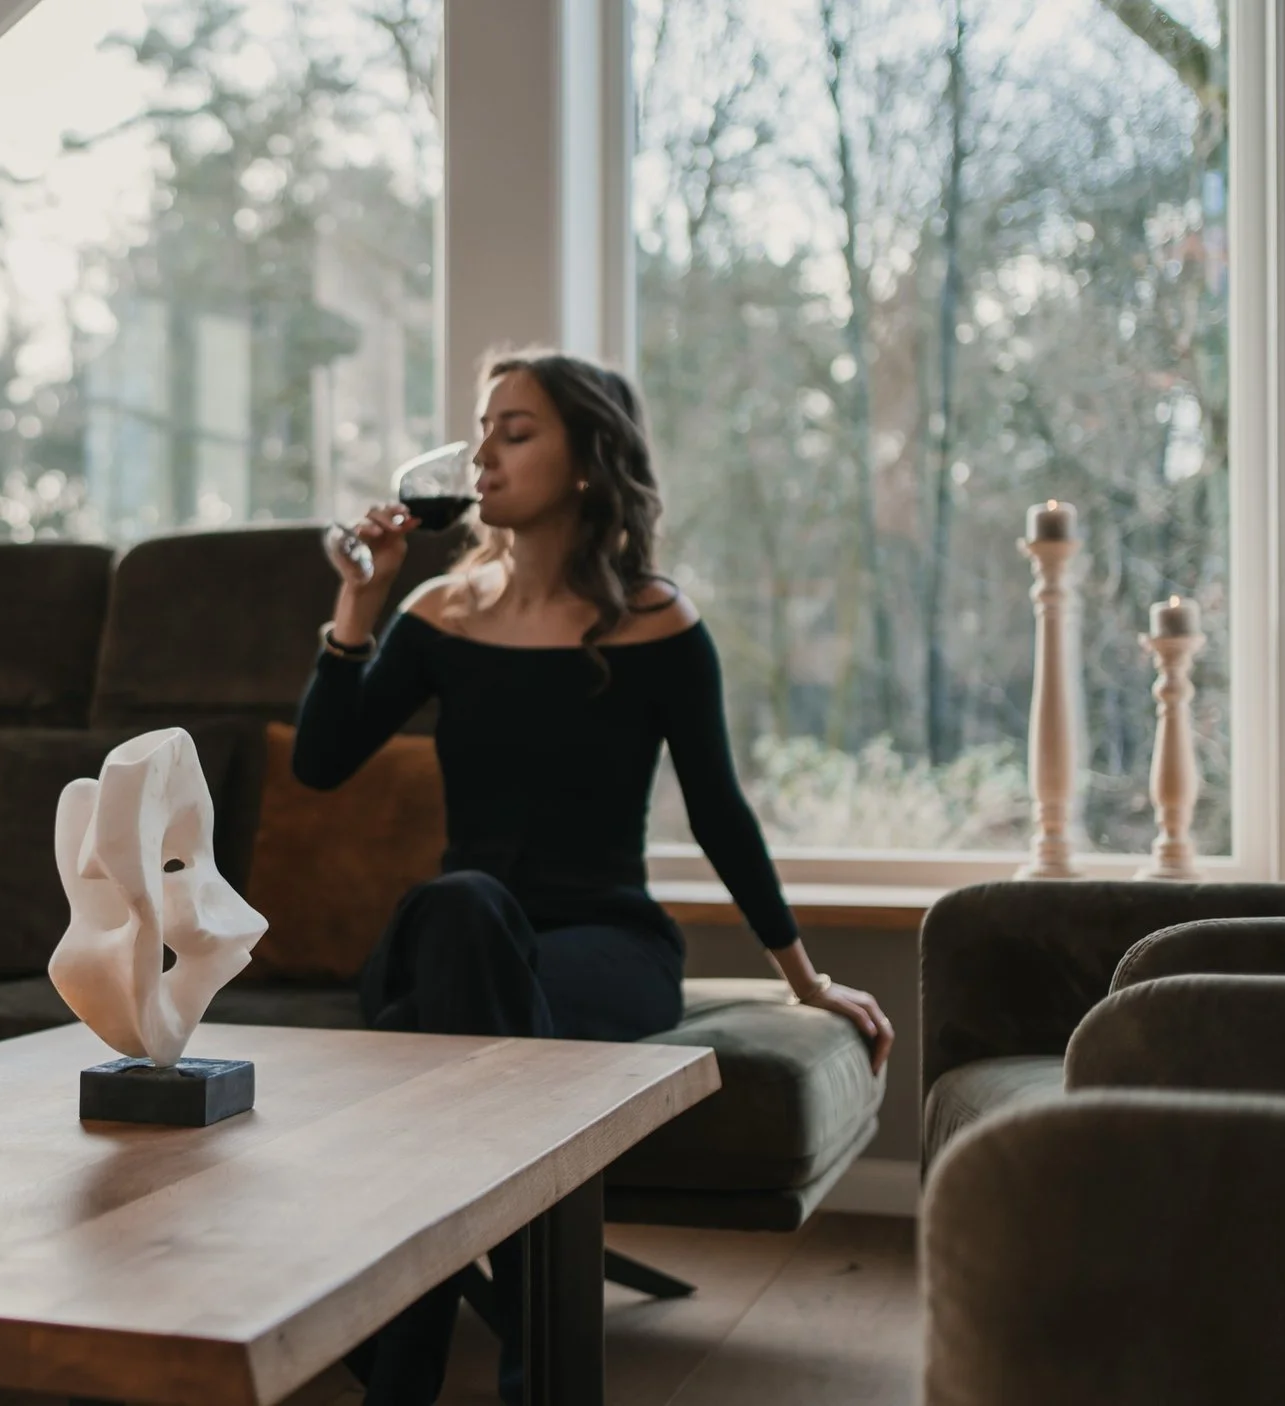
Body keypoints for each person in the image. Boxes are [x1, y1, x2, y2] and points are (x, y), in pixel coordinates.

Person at [296, 347, 894, 1406]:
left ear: (585, 464)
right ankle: (542, 1346)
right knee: (464, 907)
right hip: (454, 942)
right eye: (480, 430)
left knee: (466, 1009)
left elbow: (718, 812)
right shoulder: (438, 610)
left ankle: (405, 1365)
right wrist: (358, 605)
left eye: (514, 431)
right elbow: (321, 760)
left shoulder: (656, 623)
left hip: (602, 949)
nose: (481, 453)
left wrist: (804, 977)